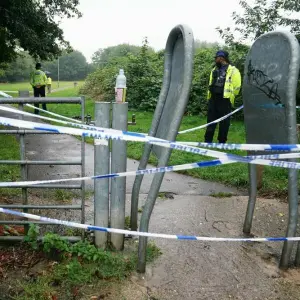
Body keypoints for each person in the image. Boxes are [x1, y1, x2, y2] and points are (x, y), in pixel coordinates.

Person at [204, 50, 241, 144]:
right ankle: (207, 141)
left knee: (224, 122)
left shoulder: (233, 70)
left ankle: (222, 142)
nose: (215, 60)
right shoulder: (214, 70)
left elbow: (237, 86)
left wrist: (231, 96)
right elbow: (211, 83)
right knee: (210, 120)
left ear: (221, 58)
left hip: (225, 100)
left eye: (216, 58)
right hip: (213, 99)